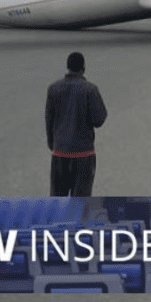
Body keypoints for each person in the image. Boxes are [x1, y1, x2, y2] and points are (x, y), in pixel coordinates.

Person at [46, 52, 108, 196]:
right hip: (83, 153)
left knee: (57, 202)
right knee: (81, 205)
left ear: (67, 67)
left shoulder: (53, 89)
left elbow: (49, 119)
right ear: (83, 68)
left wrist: (52, 143)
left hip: (60, 151)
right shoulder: (90, 90)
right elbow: (99, 120)